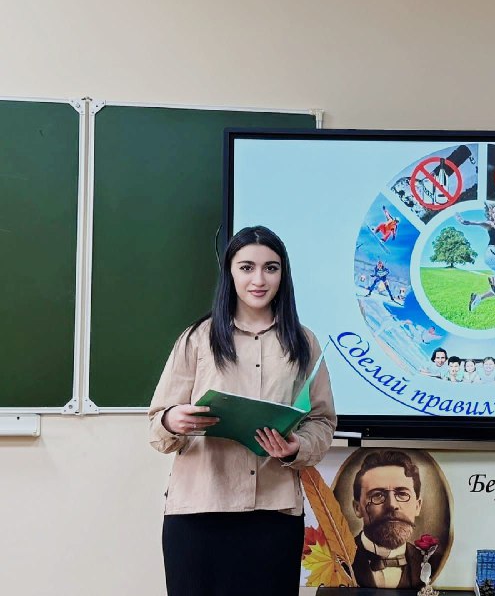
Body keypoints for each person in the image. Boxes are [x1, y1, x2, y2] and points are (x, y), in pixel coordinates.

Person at [148, 226, 336, 596]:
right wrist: (174, 419)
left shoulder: (303, 341)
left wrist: (296, 446)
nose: (259, 280)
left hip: (273, 513)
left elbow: (323, 420)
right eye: (247, 267)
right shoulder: (197, 338)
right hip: (199, 510)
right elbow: (157, 423)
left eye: (271, 268)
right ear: (230, 273)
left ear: (283, 275)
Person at [351, 450, 442, 589]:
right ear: (357, 508)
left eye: (402, 494)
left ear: (417, 506)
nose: (392, 505)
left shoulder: (434, 562)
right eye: (377, 495)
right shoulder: (337, 560)